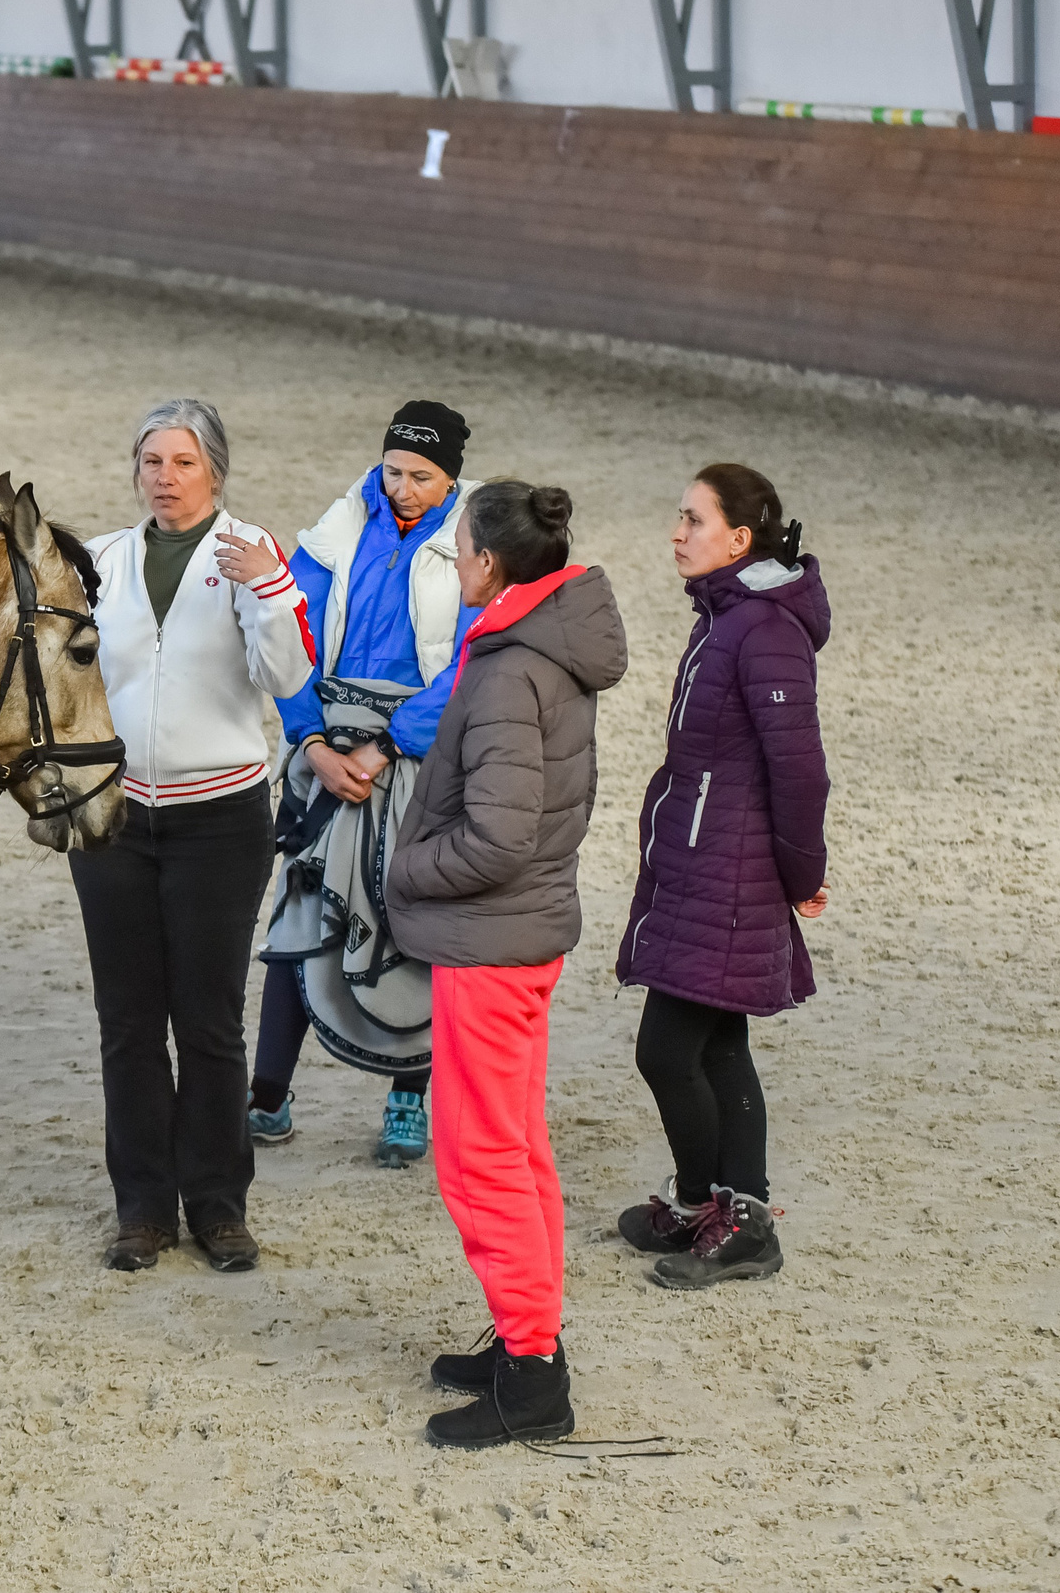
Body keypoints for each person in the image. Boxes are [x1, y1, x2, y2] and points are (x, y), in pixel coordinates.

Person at [384, 481, 627, 1450]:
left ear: (487, 564)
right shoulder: (547, 646)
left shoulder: (504, 670)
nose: (451, 565)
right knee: (517, 1142)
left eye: (455, 550)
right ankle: (527, 1337)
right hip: (519, 936)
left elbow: (496, 834)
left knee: (480, 1154)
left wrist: (406, 868)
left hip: (490, 941)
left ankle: (531, 1370)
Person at [64, 399, 314, 1273]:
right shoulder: (101, 558)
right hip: (114, 818)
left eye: (182, 462)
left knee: (208, 1023)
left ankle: (218, 1205)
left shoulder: (250, 553)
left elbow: (285, 676)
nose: (164, 478)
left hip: (221, 819)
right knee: (127, 1022)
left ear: (215, 470)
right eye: (151, 461)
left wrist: (270, 588)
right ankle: (141, 1208)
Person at [614, 464, 830, 1289]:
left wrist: (800, 872)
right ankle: (729, 1208)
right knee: (719, 1042)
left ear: (739, 540)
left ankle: (722, 1210)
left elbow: (800, 770)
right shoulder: (726, 617)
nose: (676, 532)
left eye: (692, 519)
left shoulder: (762, 631)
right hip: (703, 860)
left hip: (732, 873)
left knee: (667, 1050)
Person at [251, 401, 482, 1167]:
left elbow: (473, 661)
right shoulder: (340, 525)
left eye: (422, 475)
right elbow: (289, 631)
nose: (403, 488)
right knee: (301, 907)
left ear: (451, 475)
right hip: (328, 741)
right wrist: (311, 740)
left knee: (416, 925)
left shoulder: (476, 539)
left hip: (418, 754)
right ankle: (267, 1093)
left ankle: (408, 1099)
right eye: (393, 470)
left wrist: (388, 745)